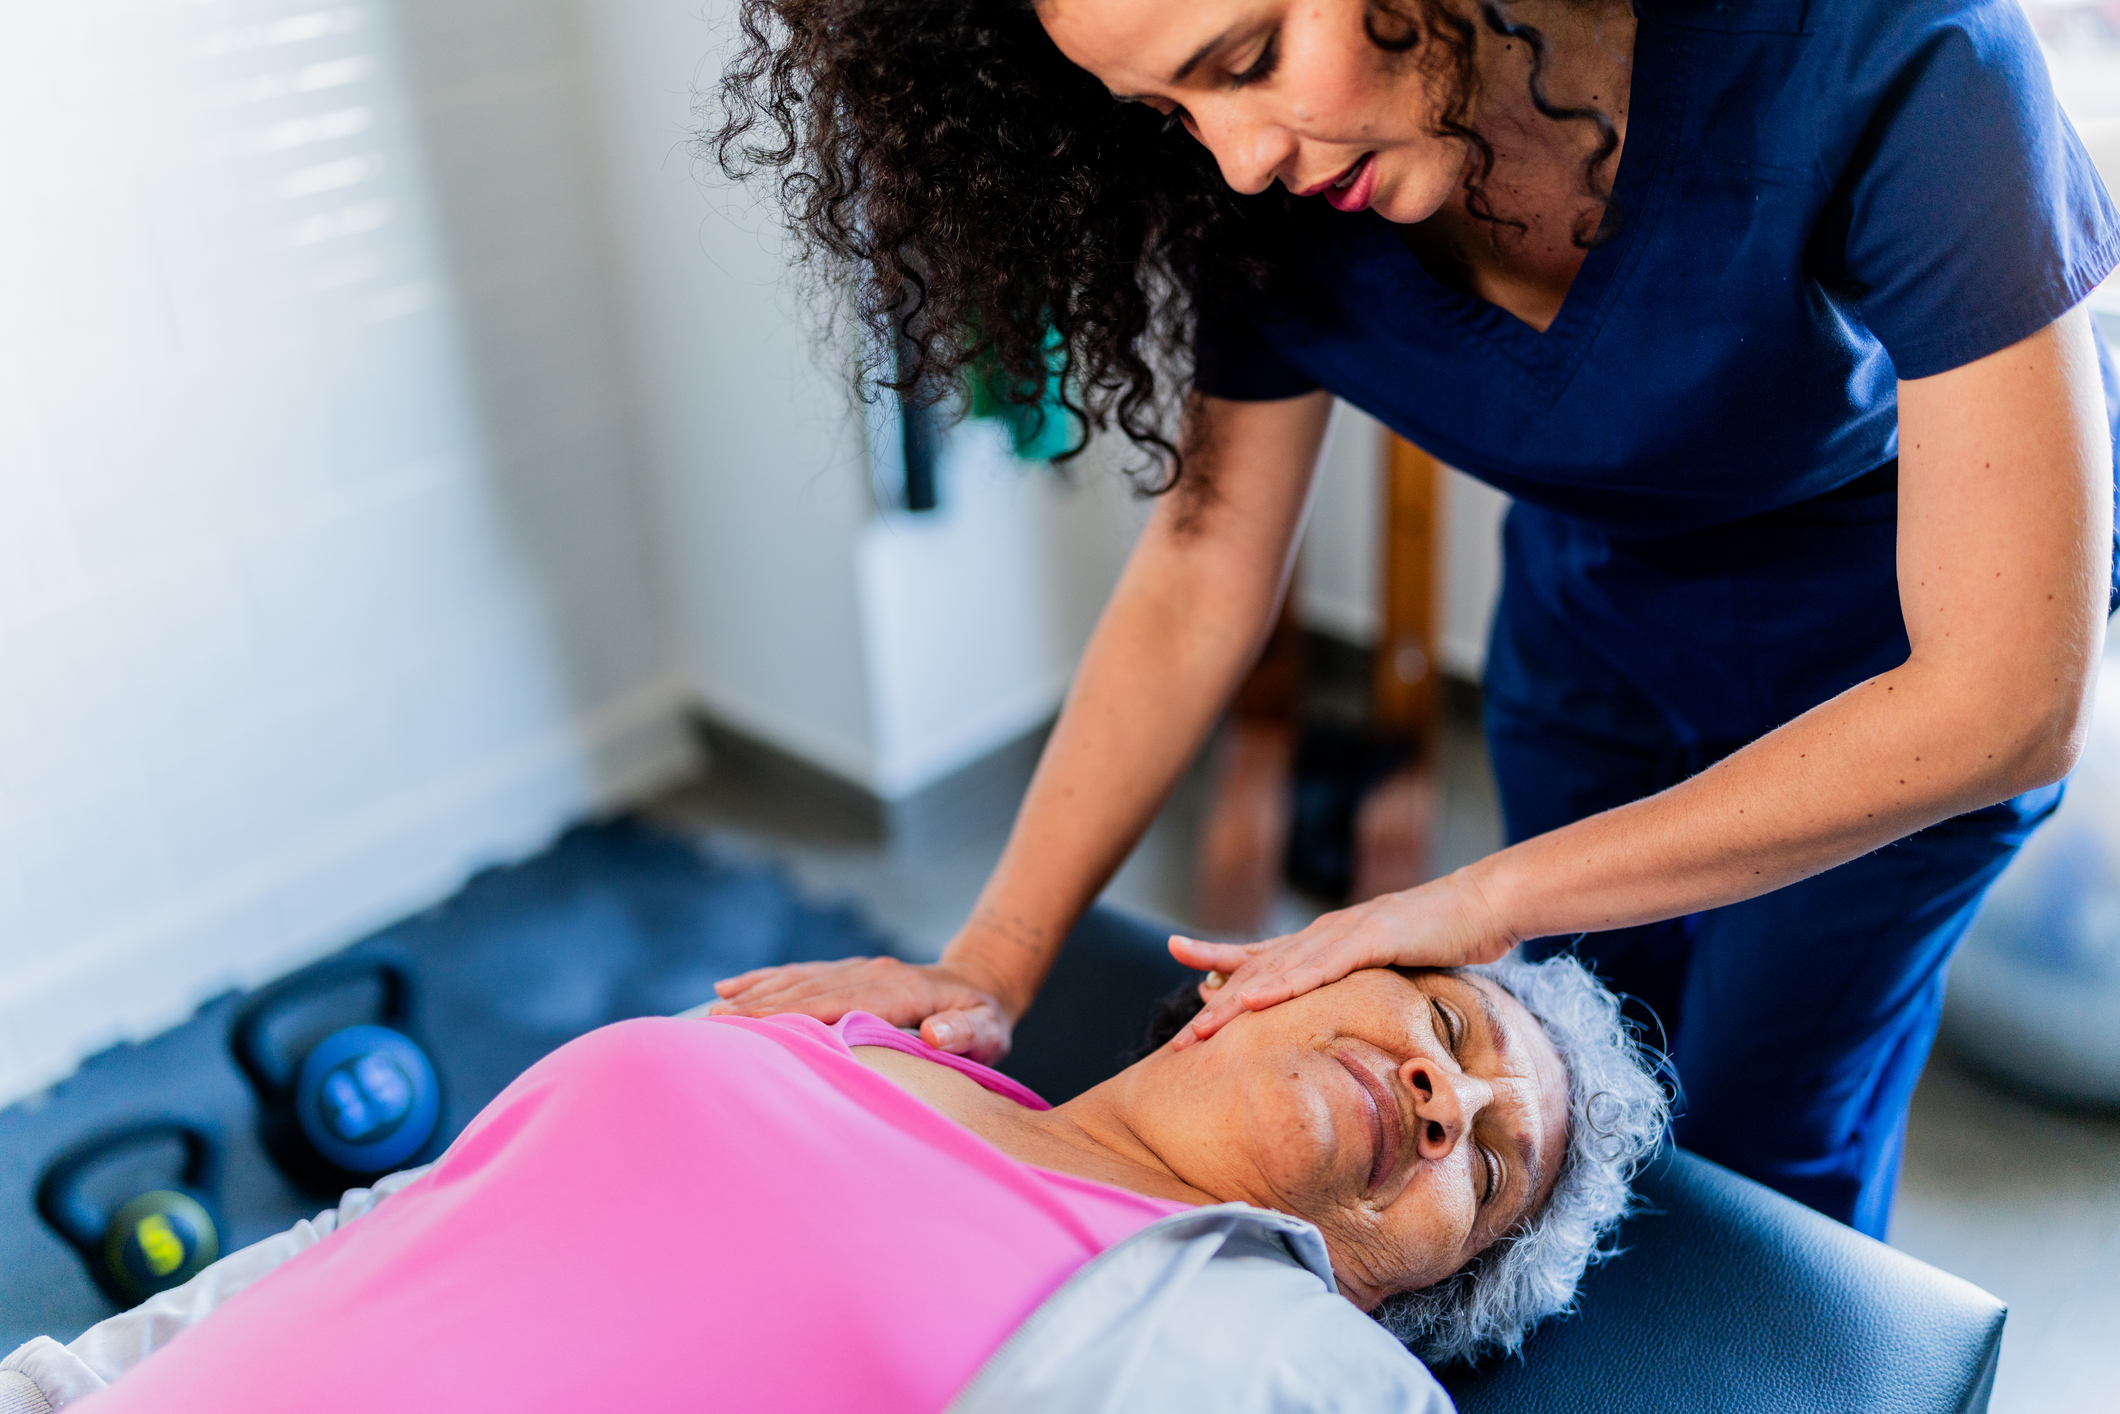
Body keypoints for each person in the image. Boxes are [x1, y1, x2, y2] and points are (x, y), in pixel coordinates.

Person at [704, 0, 2119, 1237]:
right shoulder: (1260, 189)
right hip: (1595, 629)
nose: (1239, 154)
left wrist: (1479, 893)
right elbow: (1202, 572)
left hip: (1890, 694)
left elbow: (2004, 699)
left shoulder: (1896, 54)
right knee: (1569, 1115)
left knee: (1760, 1152)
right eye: (1167, 106)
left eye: (1249, 57)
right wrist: (990, 962)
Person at [1, 958, 1664, 1414]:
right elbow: (407, 1218)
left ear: (1406, 1286)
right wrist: (72, 1373)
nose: (1452, 1089)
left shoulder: (1294, 1366)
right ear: (1266, 977)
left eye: (1491, 1164)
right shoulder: (860, 1025)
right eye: (1443, 1019)